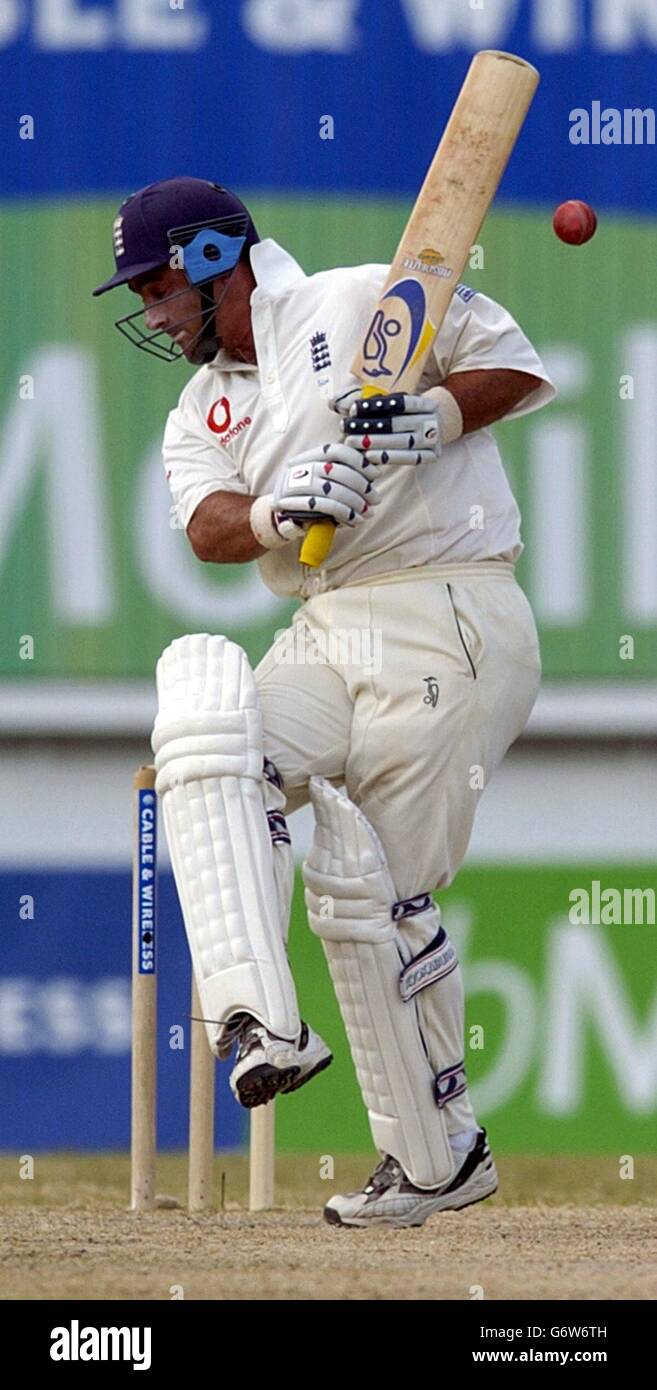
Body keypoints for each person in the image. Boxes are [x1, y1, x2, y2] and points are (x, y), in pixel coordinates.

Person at [95, 177, 555, 1228]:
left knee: (370, 892)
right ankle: (263, 1023)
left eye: (162, 286)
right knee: (209, 723)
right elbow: (207, 525)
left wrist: (422, 419)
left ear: (217, 259)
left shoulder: (360, 304)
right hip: (324, 622)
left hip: (447, 604)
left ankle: (439, 1156)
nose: (156, 314)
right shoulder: (202, 407)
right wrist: (274, 507)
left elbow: (515, 370)